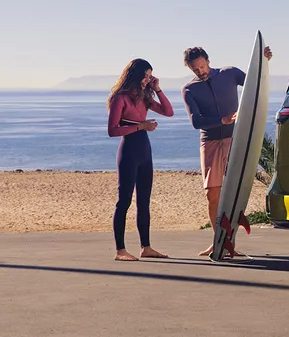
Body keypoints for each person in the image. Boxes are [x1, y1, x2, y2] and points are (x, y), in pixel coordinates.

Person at [182, 43, 270, 257]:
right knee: (212, 194)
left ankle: (231, 238)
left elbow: (253, 85)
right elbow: (196, 121)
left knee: (236, 190)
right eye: (195, 69)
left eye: (202, 66)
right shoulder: (189, 90)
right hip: (210, 141)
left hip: (234, 138)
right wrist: (220, 120)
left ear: (208, 61)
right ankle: (218, 240)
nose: (200, 72)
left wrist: (264, 63)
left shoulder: (228, 74)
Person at [106, 58, 173, 261]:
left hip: (144, 152)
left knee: (144, 201)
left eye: (150, 75)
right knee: (123, 202)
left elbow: (169, 112)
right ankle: (120, 251)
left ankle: (146, 247)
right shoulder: (121, 98)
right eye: (145, 75)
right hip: (128, 152)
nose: (147, 79)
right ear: (134, 75)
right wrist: (141, 126)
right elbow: (112, 130)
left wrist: (158, 89)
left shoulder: (144, 97)